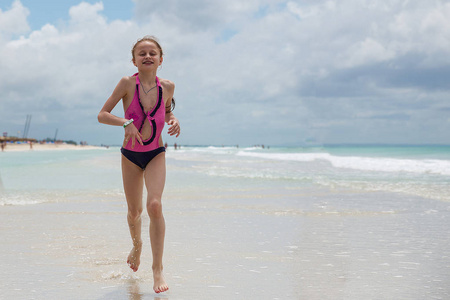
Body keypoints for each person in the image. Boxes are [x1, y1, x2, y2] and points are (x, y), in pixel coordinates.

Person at [98, 35, 180, 294]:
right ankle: (137, 245)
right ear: (134, 60)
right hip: (130, 156)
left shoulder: (167, 87)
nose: (147, 56)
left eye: (152, 53)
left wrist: (173, 118)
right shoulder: (126, 83)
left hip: (156, 152)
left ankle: (157, 270)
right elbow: (102, 114)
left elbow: (165, 111)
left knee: (154, 205)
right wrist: (125, 122)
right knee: (134, 213)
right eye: (141, 53)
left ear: (160, 60)